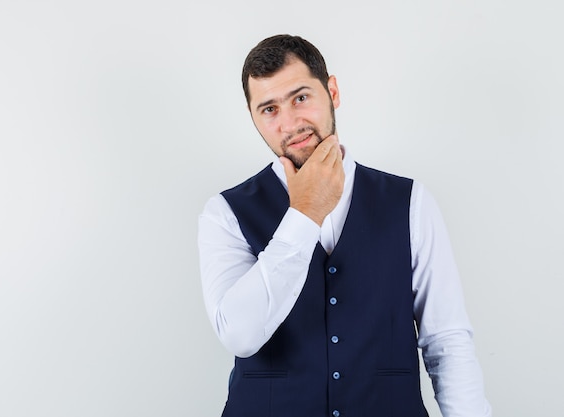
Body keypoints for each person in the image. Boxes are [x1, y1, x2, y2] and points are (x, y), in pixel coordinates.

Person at [198, 34, 491, 417]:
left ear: (332, 91)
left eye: (301, 98)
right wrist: (303, 215)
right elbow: (240, 335)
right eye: (269, 109)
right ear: (254, 117)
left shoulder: (411, 201)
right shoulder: (224, 213)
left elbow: (446, 341)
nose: (290, 123)